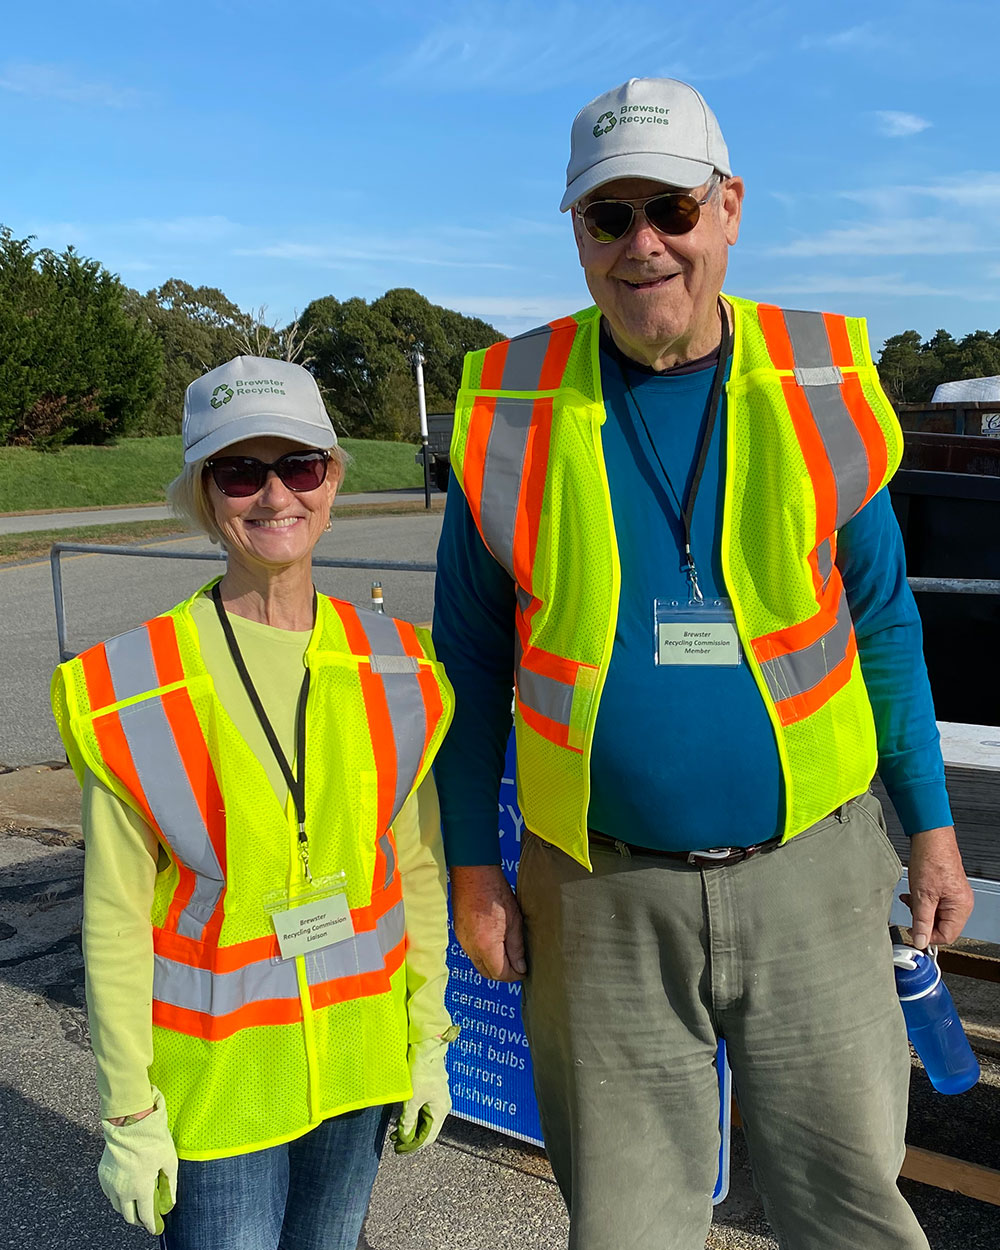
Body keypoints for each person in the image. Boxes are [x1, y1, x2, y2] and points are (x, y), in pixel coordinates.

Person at [432, 78, 974, 1250]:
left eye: (669, 209)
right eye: (606, 217)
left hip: (816, 879)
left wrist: (929, 827)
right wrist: (472, 869)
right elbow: (467, 666)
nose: (643, 246)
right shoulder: (505, 408)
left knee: (851, 1213)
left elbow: (881, 621)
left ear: (728, 209)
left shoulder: (819, 382)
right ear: (574, 233)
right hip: (599, 894)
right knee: (626, 1227)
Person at [51, 356, 457, 1250]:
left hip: (360, 1063)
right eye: (240, 471)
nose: (274, 496)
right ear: (203, 494)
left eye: (298, 466)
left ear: (332, 478)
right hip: (220, 1085)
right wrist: (126, 1111)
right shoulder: (134, 687)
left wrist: (428, 1034)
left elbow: (415, 870)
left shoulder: (399, 665)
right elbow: (115, 921)